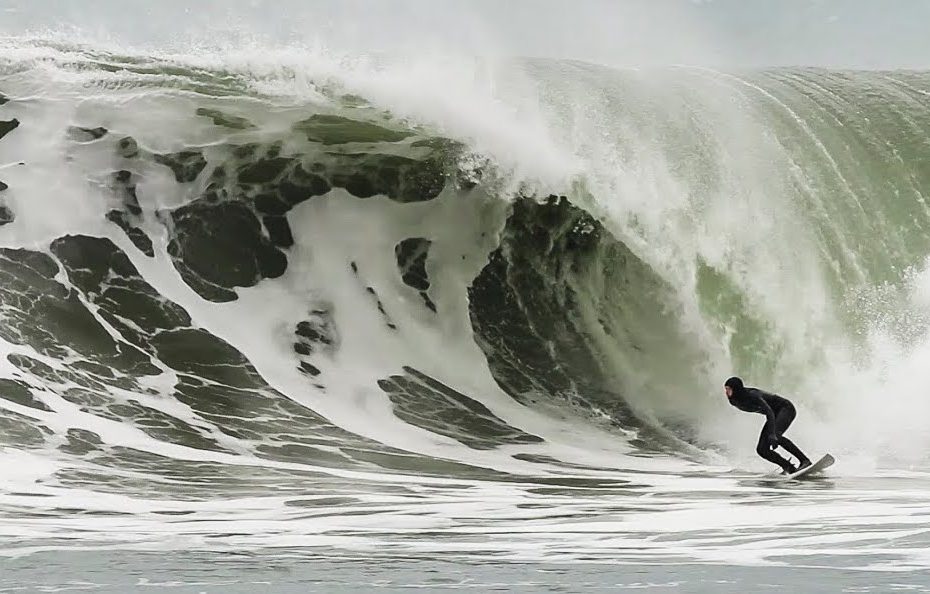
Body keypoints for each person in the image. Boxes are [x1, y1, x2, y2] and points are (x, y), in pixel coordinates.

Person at [724, 376, 812, 474]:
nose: (726, 392)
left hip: (786, 409)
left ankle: (804, 460)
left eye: (728, 389)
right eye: (726, 389)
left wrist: (772, 434)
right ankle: (788, 467)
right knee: (762, 449)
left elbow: (768, 411)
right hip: (774, 414)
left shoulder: (753, 395)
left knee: (776, 436)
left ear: (736, 389)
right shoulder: (733, 400)